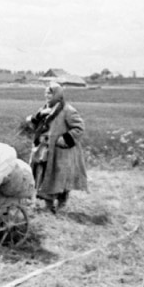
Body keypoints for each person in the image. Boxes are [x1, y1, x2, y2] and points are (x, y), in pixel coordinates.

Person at [26, 82, 88, 213]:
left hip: (60, 151)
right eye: (46, 93)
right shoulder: (44, 109)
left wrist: (63, 139)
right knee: (43, 177)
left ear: (58, 95)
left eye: (50, 93)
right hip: (43, 150)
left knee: (60, 178)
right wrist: (38, 116)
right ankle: (48, 205)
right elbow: (31, 124)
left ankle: (61, 203)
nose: (47, 96)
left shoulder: (68, 110)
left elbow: (79, 127)